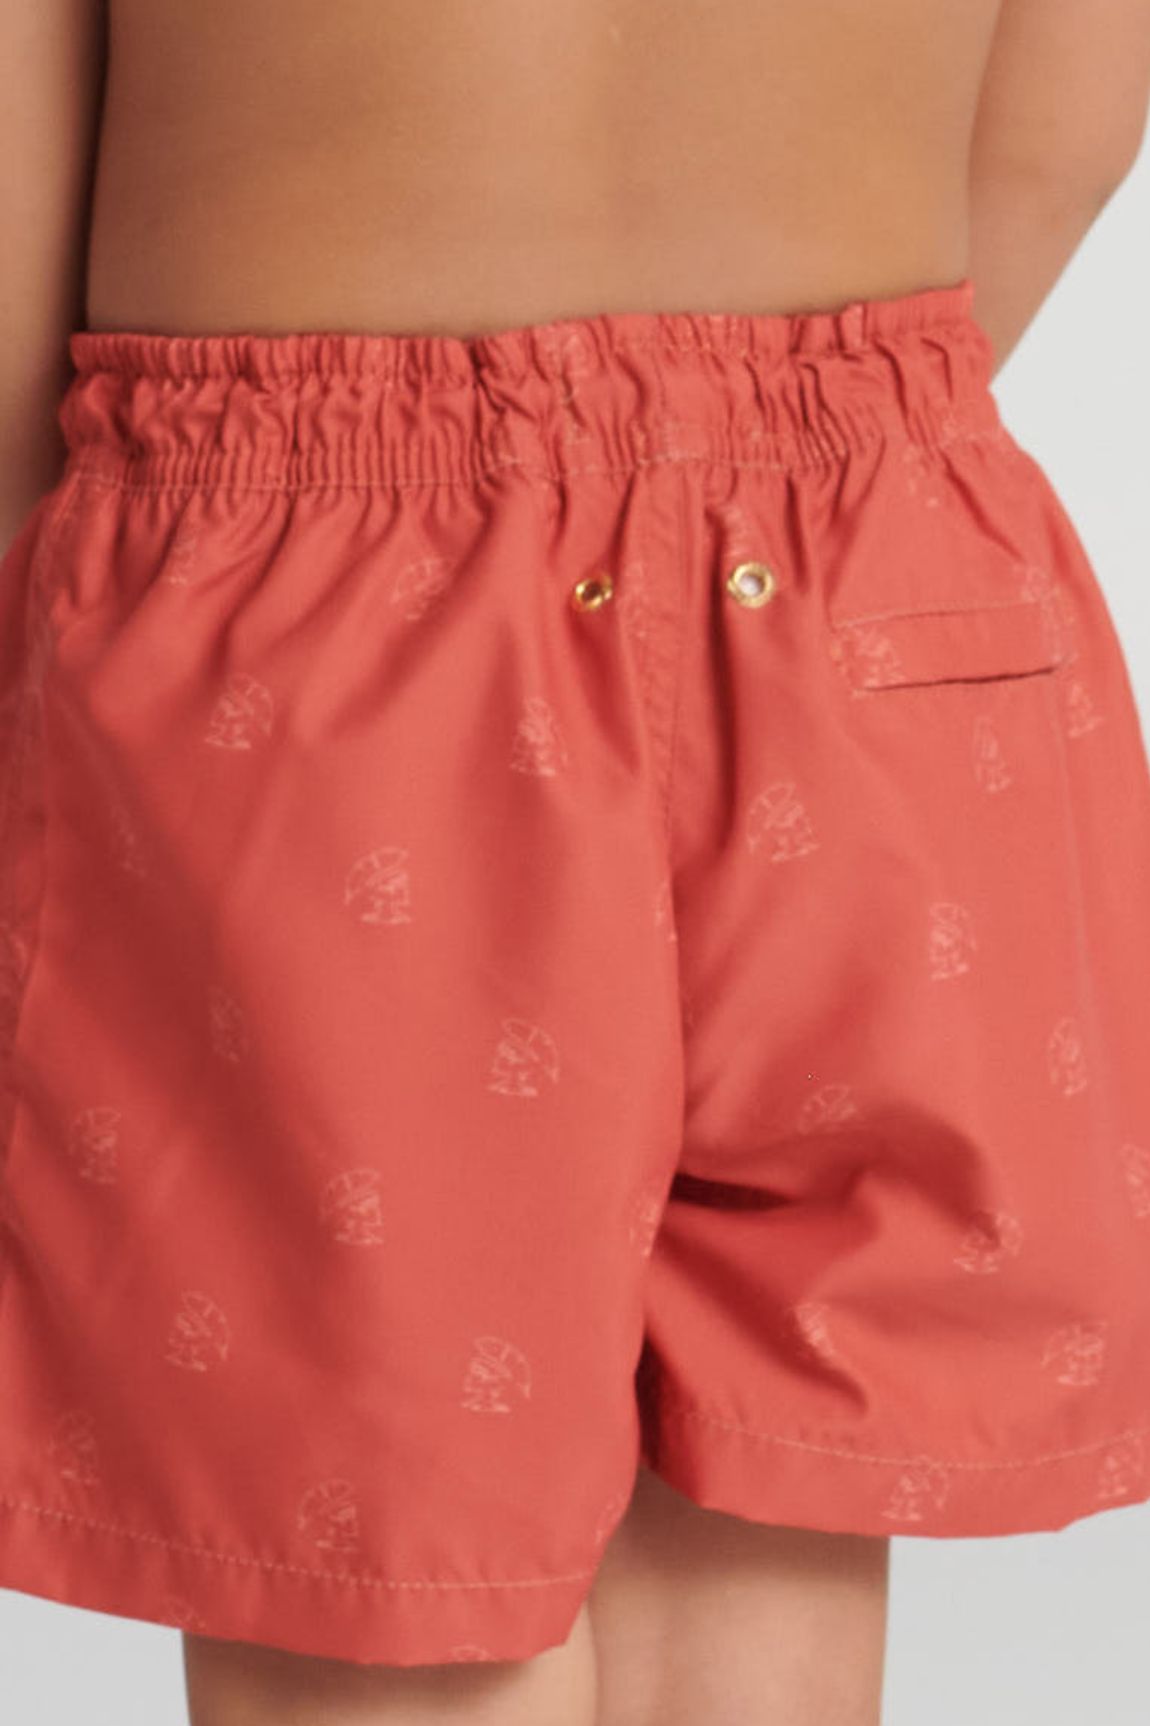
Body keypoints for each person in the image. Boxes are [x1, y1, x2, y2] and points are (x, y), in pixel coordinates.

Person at [1, 3, 1149, 1723]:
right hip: (877, 564)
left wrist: (89, 595)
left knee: (398, 1584)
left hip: (320, 606)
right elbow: (1073, 95)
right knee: (754, 1505)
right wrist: (796, 440)